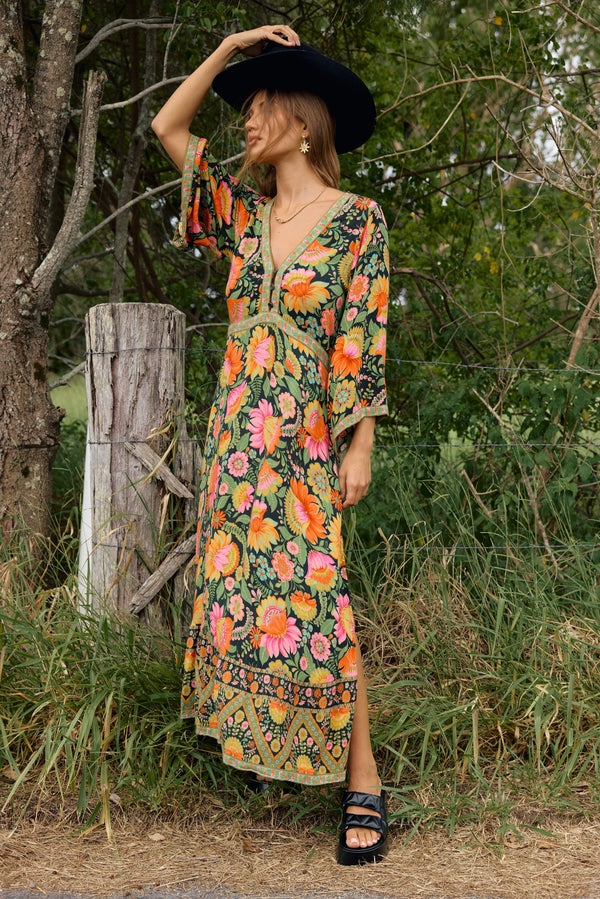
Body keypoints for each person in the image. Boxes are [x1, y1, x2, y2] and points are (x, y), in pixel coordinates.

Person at [151, 24, 390, 865]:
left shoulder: (359, 221)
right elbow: (168, 132)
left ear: (301, 117)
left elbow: (361, 335)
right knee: (247, 591)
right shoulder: (243, 218)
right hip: (237, 438)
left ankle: (364, 779)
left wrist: (358, 444)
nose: (247, 122)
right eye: (245, 108)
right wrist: (226, 49)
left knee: (322, 598)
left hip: (306, 435)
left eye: (258, 106)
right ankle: (276, 751)